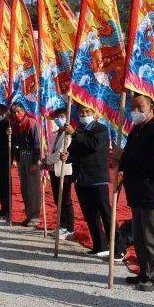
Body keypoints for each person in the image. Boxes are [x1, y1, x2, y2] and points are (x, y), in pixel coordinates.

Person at [116, 94, 154, 290]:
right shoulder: (136, 131)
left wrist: (127, 161)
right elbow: (129, 156)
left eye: (140, 107)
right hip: (137, 192)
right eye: (133, 107)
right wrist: (120, 160)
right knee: (140, 237)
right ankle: (145, 272)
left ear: (151, 109)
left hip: (153, 193)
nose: (136, 111)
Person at [63, 105, 114, 257]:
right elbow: (75, 151)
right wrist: (67, 156)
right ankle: (100, 245)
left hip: (97, 178)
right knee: (90, 214)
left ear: (95, 114)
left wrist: (75, 134)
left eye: (87, 112)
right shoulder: (80, 130)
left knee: (105, 213)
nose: (84, 115)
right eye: (81, 112)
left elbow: (93, 145)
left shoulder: (101, 129)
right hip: (81, 178)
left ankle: (117, 248)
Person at [44, 107, 74, 240]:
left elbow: (61, 153)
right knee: (57, 199)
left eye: (62, 116)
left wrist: (44, 161)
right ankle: (61, 225)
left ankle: (69, 228)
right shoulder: (55, 133)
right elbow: (51, 150)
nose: (59, 119)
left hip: (64, 170)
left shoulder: (69, 134)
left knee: (65, 199)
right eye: (57, 117)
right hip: (53, 170)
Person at [10, 102, 42, 227]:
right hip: (20, 156)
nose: (16, 114)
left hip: (30, 155)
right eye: (14, 112)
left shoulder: (31, 123)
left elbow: (37, 144)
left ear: (23, 111)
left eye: (18, 111)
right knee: (24, 187)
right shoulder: (15, 125)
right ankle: (28, 215)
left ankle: (34, 216)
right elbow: (15, 144)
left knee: (33, 187)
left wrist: (35, 162)